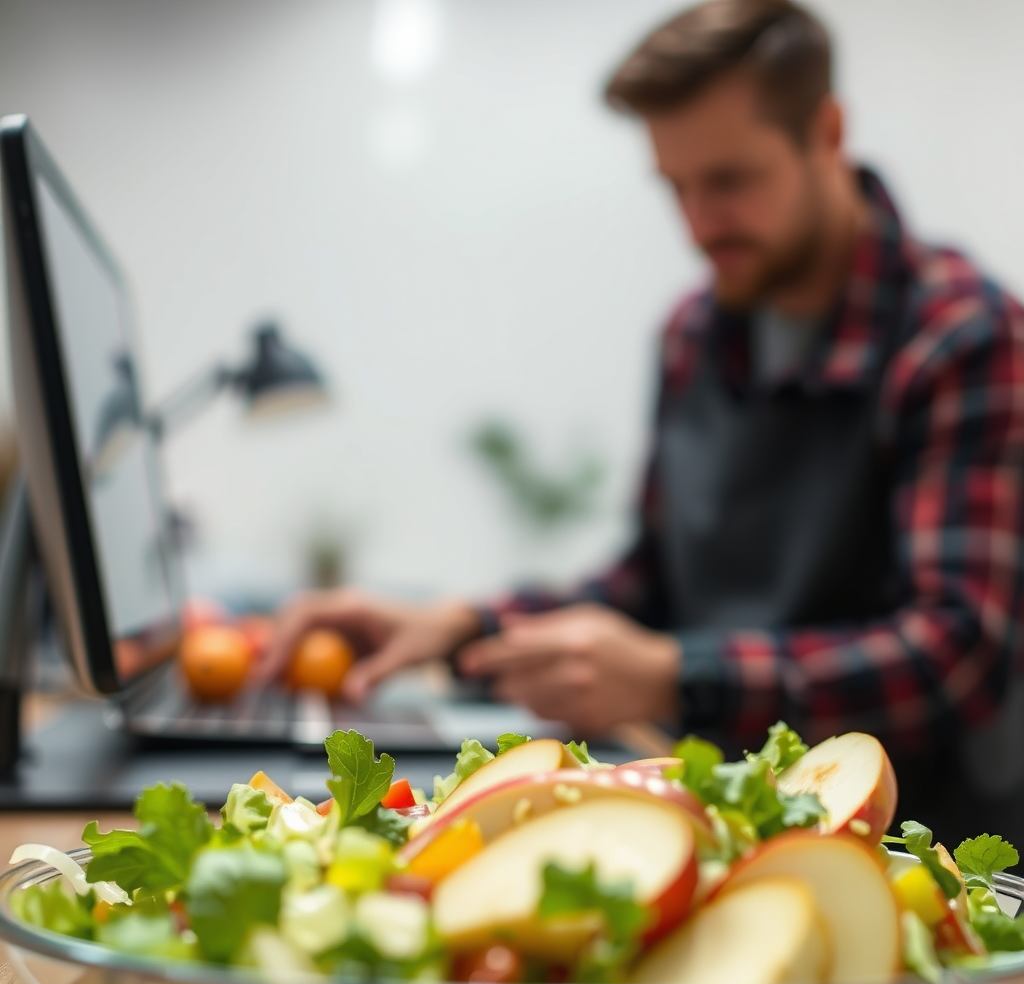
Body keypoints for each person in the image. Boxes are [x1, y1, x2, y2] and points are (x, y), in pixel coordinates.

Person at [258, 0, 1024, 845]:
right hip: (726, 826)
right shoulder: (693, 334)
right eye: (676, 187)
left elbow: (954, 651)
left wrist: (674, 676)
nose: (698, 224)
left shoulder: (961, 336)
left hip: (922, 857)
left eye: (730, 181)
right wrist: (464, 625)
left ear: (829, 132)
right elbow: (647, 586)